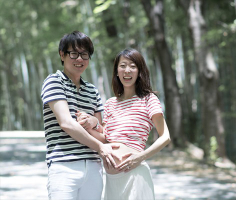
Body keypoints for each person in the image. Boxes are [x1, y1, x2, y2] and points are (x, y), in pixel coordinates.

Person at [77, 48, 171, 199]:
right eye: (123, 66)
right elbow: (106, 139)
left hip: (135, 175)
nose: (127, 70)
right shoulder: (109, 104)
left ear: (139, 71)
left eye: (133, 66)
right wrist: (89, 124)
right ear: (116, 71)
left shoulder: (148, 99)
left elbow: (165, 136)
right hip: (112, 180)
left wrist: (140, 157)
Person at [40, 30, 119, 200]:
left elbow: (103, 136)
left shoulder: (92, 91)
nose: (79, 59)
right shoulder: (53, 81)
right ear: (62, 55)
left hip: (93, 167)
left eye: (84, 54)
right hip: (63, 166)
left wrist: (94, 123)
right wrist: (100, 147)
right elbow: (67, 123)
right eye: (74, 53)